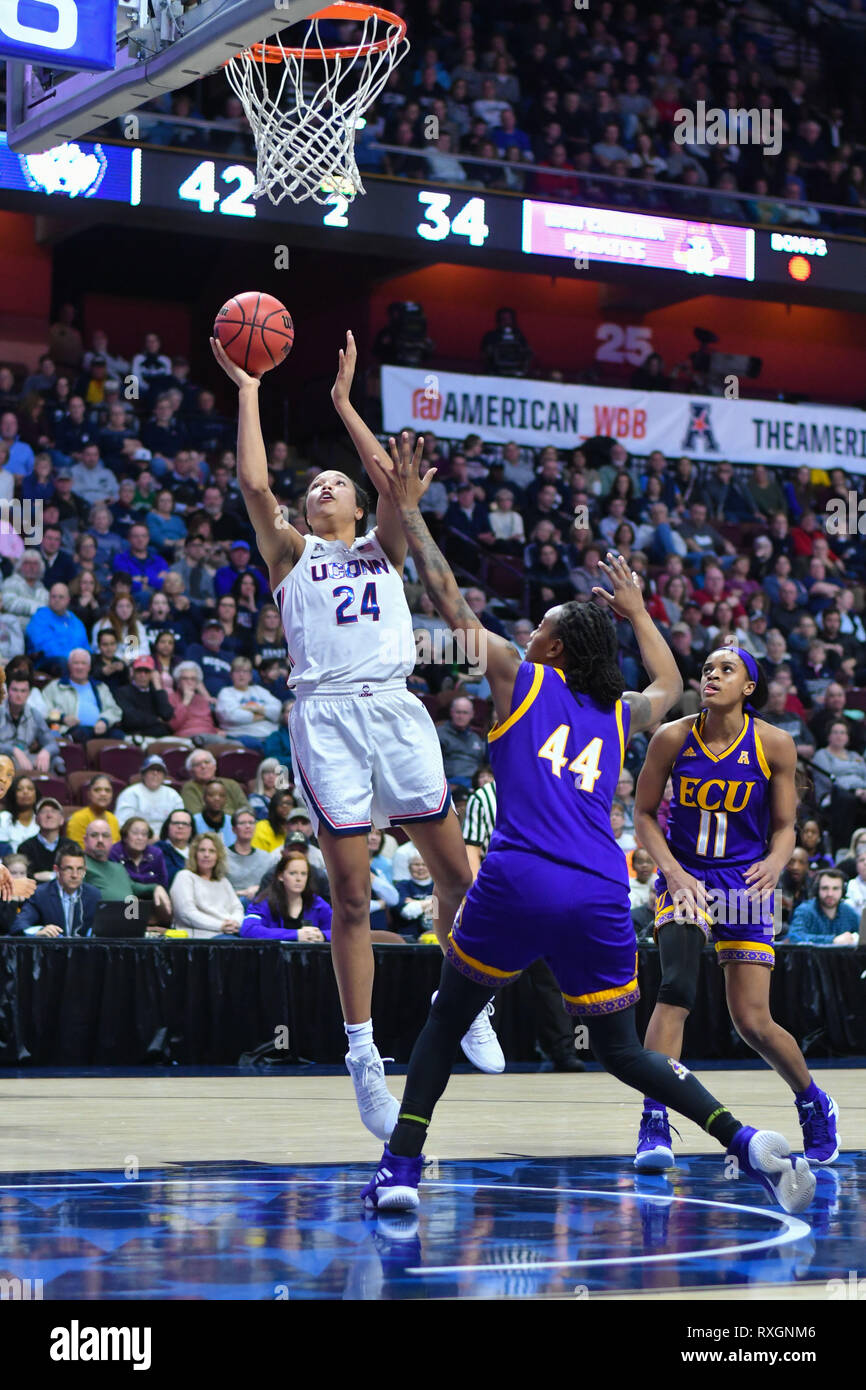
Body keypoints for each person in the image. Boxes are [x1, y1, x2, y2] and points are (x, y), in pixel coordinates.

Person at [358, 444, 815, 1217]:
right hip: (601, 886)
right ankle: (742, 1140)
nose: (527, 631)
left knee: (445, 1020)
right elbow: (670, 683)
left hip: (521, 875)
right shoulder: (618, 712)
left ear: (554, 646)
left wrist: (406, 512)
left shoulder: (516, 673)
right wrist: (638, 611)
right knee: (621, 1050)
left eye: (539, 626)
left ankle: (401, 1168)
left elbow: (448, 601)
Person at [210, 329, 500, 1144]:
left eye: (338, 480)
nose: (326, 487)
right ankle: (364, 1055)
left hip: (398, 711)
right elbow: (252, 482)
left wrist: (343, 403)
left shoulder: (384, 547)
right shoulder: (290, 555)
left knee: (456, 877)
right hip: (328, 717)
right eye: (318, 484)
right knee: (352, 897)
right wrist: (249, 387)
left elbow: (392, 485)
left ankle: (465, 1001)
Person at [631, 643, 839, 1172]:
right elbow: (645, 813)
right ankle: (655, 1118)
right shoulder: (672, 737)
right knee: (675, 988)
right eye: (707, 669)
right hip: (686, 875)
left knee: (753, 1021)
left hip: (745, 881)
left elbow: (786, 825)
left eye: (726, 670)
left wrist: (776, 861)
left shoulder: (775, 744)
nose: (712, 676)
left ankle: (814, 1102)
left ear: (749, 687)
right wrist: (673, 872)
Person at [10, 839, 100, 937]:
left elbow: (100, 929)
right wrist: (38, 931)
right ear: (56, 870)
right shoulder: (41, 894)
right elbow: (19, 924)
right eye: (69, 869)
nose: (75, 875)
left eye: (79, 869)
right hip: (51, 951)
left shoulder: (93, 895)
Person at [240, 848, 332, 941]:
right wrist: (295, 935)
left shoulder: (317, 904)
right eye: (293, 873)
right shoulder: (263, 902)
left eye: (303, 874)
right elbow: (248, 929)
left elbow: (342, 930)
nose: (299, 879)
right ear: (280, 876)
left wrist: (322, 936)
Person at [169, 831, 244, 939]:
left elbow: (237, 908)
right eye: (202, 850)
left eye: (212, 851)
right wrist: (220, 926)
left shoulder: (223, 881)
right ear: (195, 854)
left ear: (218, 856)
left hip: (228, 931)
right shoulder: (184, 877)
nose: (206, 855)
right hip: (202, 937)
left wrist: (235, 922)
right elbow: (186, 914)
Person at [41, 648, 124, 743]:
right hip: (70, 730)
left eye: (83, 663)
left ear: (89, 667)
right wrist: (63, 718)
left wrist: (104, 721)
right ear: (69, 666)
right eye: (76, 663)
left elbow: (114, 710)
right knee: (80, 733)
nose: (80, 667)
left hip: (99, 730)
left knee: (118, 735)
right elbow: (44, 710)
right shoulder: (55, 686)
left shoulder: (100, 687)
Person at [0, 674, 65, 775]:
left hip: (26, 757)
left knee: (57, 761)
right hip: (3, 757)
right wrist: (13, 750)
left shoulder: (34, 714)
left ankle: (50, 790)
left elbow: (52, 744)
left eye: (23, 691)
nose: (19, 695)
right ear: (8, 691)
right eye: (15, 690)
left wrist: (46, 751)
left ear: (29, 693)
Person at [115, 755, 184, 838]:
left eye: (159, 770)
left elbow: (181, 822)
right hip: (138, 839)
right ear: (143, 774)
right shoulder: (130, 793)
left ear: (164, 776)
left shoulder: (173, 795)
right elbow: (122, 824)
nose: (155, 773)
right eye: (151, 770)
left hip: (167, 840)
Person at [787, 868, 861, 945]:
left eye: (835, 888)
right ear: (817, 889)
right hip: (810, 957)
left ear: (843, 890)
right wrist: (833, 940)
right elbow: (794, 937)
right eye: (825, 888)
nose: (830, 894)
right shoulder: (805, 910)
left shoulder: (848, 911)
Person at [116, 656, 174, 738]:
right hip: (135, 736)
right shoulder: (123, 692)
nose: (143, 675)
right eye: (139, 671)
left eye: (147, 671)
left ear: (152, 674)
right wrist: (156, 720)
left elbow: (167, 714)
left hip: (159, 736)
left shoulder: (156, 691)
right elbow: (130, 719)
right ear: (133, 672)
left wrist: (157, 685)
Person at [225, 807, 276, 898]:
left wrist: (260, 889)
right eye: (242, 823)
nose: (247, 826)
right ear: (234, 829)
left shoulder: (266, 858)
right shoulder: (223, 857)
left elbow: (273, 886)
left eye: (251, 823)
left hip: (259, 903)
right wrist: (241, 893)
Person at [65, 775, 121, 847]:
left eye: (107, 790)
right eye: (97, 790)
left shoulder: (113, 820)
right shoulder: (78, 819)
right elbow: (77, 852)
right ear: (89, 794)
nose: (103, 794)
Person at [18, 796, 66, 880]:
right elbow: (22, 877)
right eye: (43, 812)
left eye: (54, 811)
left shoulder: (71, 847)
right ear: (36, 820)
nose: (49, 815)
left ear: (62, 820)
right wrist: (34, 876)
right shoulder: (25, 848)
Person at [156, 807, 195, 886]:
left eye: (185, 824)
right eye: (176, 823)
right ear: (168, 827)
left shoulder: (198, 851)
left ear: (191, 829)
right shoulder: (157, 851)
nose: (180, 826)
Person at [0, 773, 39, 850]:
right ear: (13, 794)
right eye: (19, 789)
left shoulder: (42, 819)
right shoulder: (3, 818)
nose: (25, 792)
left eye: (30, 789)